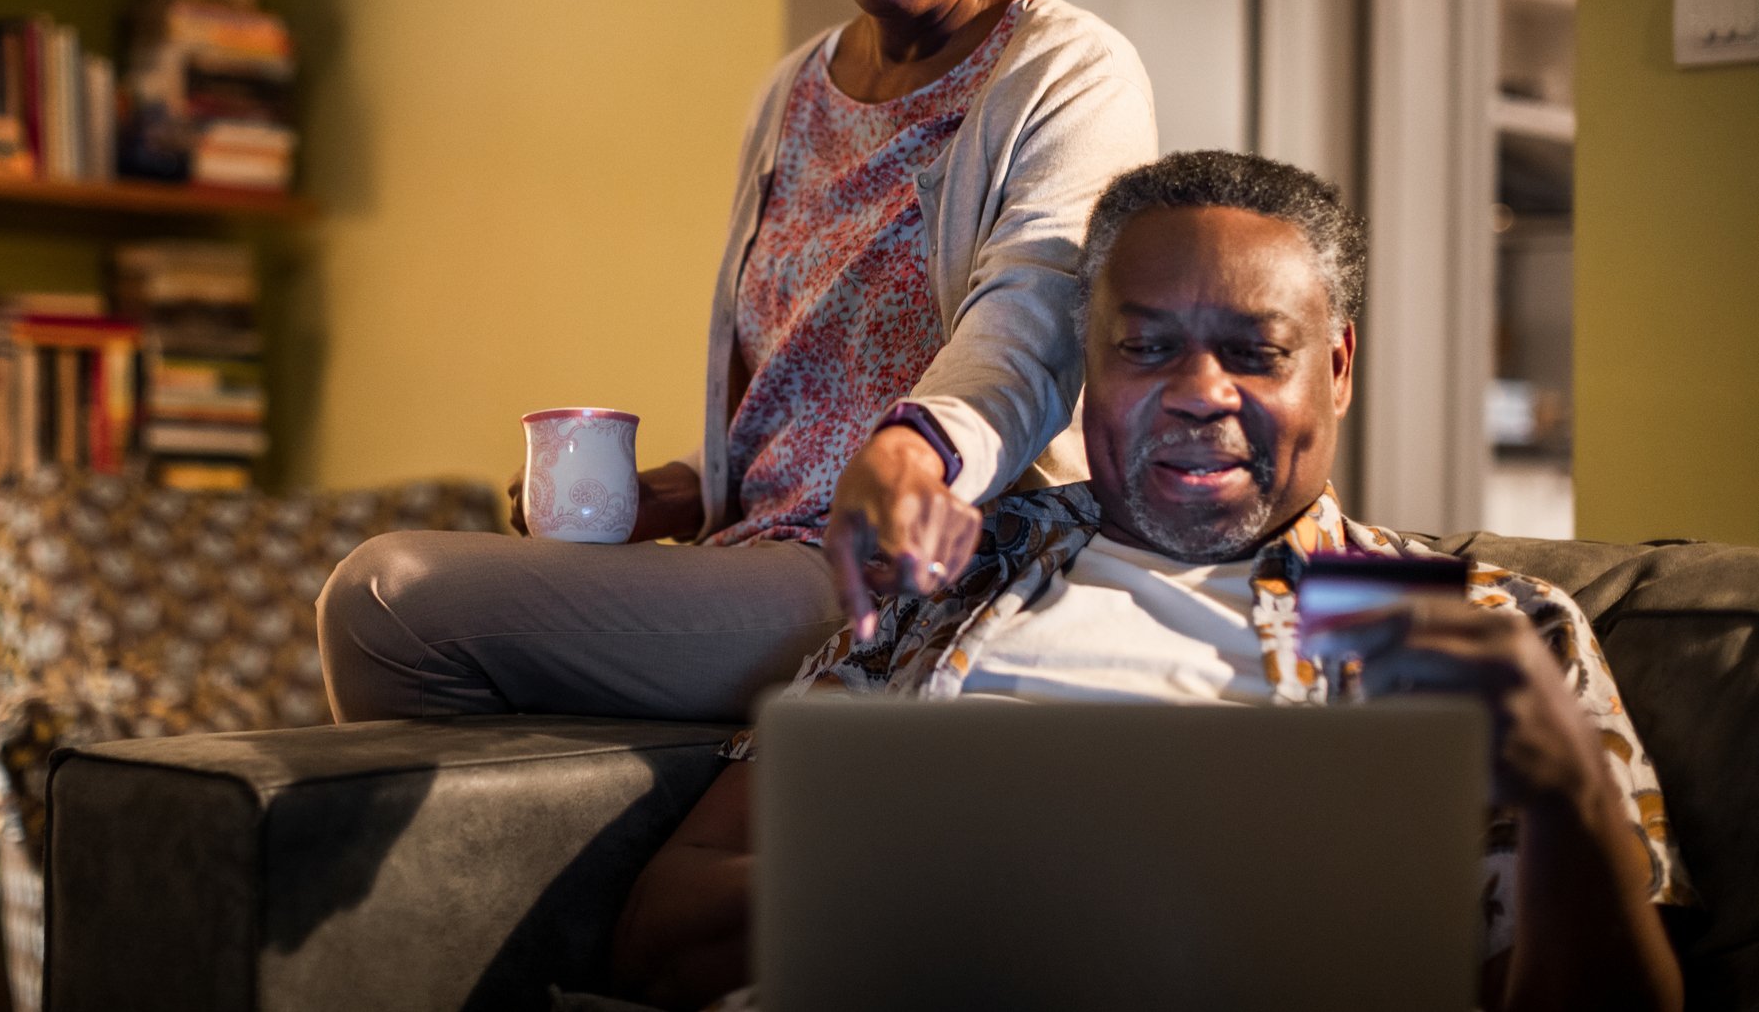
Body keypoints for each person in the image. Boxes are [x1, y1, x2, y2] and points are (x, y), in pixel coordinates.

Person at [611, 152, 1689, 1012]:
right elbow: (661, 935)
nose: (1197, 394)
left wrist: (1567, 801)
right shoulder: (960, 574)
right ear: (1091, 368)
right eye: (1146, 346)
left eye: (1256, 352)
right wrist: (950, 887)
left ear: (1340, 367)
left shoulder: (1455, 620)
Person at [319, 0, 1156, 724]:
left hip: (906, 574)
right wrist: (668, 496)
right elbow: (792, 403)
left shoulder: (1067, 68)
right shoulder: (790, 97)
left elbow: (1036, 314)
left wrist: (917, 449)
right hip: (754, 558)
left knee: (389, 598)